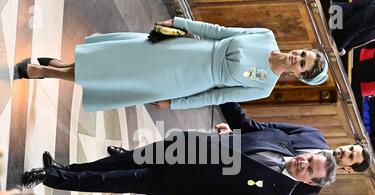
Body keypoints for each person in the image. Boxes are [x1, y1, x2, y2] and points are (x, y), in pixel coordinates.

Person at [14, 17, 329, 112]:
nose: (297, 58)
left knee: (116, 78)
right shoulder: (266, 34)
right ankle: (54, 68)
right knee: (114, 60)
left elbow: (218, 96)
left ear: (299, 76)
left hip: (184, 81)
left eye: (302, 64)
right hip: (182, 49)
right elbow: (220, 33)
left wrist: (175, 103)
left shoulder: (263, 86)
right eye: (303, 53)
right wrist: (178, 22)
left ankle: (46, 71)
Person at [21, 134, 336, 195]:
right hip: (184, 151)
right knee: (114, 162)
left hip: (178, 183)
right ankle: (66, 170)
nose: (303, 163)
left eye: (310, 170)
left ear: (309, 183)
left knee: (114, 181)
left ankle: (51, 178)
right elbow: (243, 137)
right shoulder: (280, 141)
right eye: (309, 158)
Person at [108, 101, 371, 195]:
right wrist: (235, 136)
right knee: (160, 152)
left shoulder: (313, 184)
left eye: (349, 157)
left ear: (348, 168)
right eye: (349, 148)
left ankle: (118, 171)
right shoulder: (312, 135)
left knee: (149, 177)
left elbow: (265, 190)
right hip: (224, 145)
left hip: (221, 175)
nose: (343, 152)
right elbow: (262, 129)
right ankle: (124, 159)